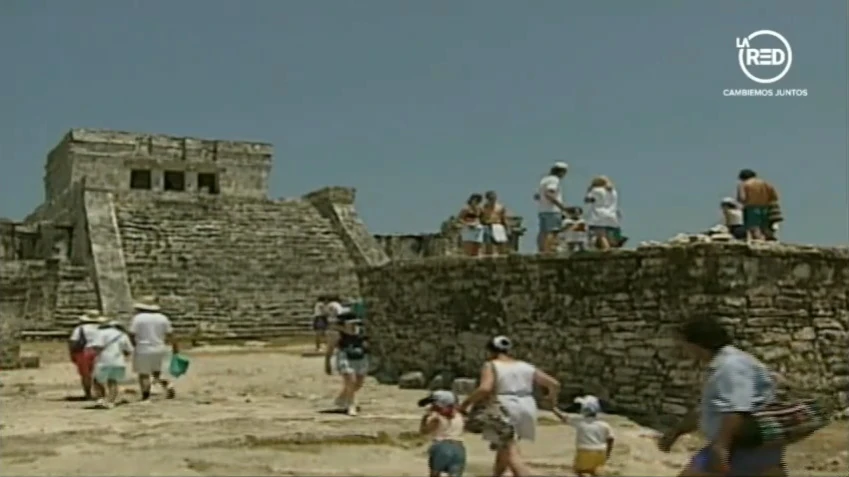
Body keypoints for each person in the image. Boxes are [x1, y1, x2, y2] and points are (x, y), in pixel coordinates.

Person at [657, 315, 787, 477]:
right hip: (744, 446)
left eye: (684, 344)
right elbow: (709, 409)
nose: (683, 350)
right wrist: (676, 432)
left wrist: (721, 447)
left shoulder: (731, 366)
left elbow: (737, 409)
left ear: (696, 344)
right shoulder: (722, 366)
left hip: (744, 446)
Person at [458, 336, 560, 477]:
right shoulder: (525, 366)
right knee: (505, 446)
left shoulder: (491, 365)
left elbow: (485, 388)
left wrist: (465, 404)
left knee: (510, 449)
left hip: (504, 406)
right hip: (527, 405)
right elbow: (554, 384)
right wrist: (551, 400)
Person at [129, 296, 178, 401]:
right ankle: (167, 385)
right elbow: (170, 334)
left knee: (144, 374)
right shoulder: (163, 318)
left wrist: (133, 345)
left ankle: (145, 395)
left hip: (143, 348)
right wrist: (175, 348)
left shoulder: (138, 318)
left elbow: (132, 334)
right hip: (159, 347)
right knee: (157, 372)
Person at [552, 395, 615, 477]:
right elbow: (611, 439)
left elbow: (562, 417)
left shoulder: (579, 421)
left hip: (584, 450)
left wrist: (553, 408)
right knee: (595, 471)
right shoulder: (604, 424)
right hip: (601, 451)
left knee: (579, 470)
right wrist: (608, 453)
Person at [324, 299, 368, 416]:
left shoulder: (361, 331)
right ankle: (351, 404)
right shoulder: (337, 333)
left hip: (360, 356)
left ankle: (342, 398)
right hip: (345, 356)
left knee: (358, 383)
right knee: (351, 380)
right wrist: (327, 363)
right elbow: (330, 348)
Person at [419, 390, 467, 477]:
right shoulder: (460, 416)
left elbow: (424, 431)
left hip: (441, 447)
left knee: (435, 473)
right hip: (459, 448)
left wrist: (424, 419)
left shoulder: (436, 417)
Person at [91, 319, 134, 409]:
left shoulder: (100, 333)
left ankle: (101, 399)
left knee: (97, 380)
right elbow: (129, 350)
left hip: (103, 360)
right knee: (113, 381)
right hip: (118, 361)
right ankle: (111, 402)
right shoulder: (123, 335)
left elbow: (97, 346)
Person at [68, 310, 105, 400]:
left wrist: (72, 353)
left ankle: (88, 394)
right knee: (98, 374)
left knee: (86, 374)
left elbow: (73, 341)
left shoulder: (80, 328)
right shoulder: (102, 328)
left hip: (85, 351)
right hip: (99, 351)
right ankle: (101, 393)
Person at [534, 162, 569, 253]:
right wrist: (562, 207)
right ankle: (548, 250)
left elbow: (537, 196)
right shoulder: (554, 180)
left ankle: (541, 250)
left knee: (543, 232)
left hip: (542, 209)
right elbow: (549, 193)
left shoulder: (544, 180)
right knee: (553, 231)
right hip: (552, 210)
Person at [736, 169, 780, 241]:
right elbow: (774, 197)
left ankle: (760, 241)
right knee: (765, 227)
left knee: (754, 228)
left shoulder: (744, 184)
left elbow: (742, 198)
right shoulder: (766, 183)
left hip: (751, 208)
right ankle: (769, 240)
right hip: (766, 208)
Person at [584, 176, 622, 251]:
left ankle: (606, 250)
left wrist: (589, 190)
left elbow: (587, 200)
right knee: (608, 236)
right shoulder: (613, 191)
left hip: (599, 215)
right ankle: (609, 249)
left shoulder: (596, 190)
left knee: (601, 235)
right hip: (612, 214)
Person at [481, 191, 510, 256]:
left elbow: (504, 219)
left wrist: (507, 228)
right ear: (487, 199)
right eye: (490, 198)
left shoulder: (500, 207)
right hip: (488, 226)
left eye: (493, 198)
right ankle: (489, 257)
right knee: (488, 243)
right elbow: (480, 218)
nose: (492, 200)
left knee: (501, 243)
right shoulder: (483, 207)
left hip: (498, 226)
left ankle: (501, 257)